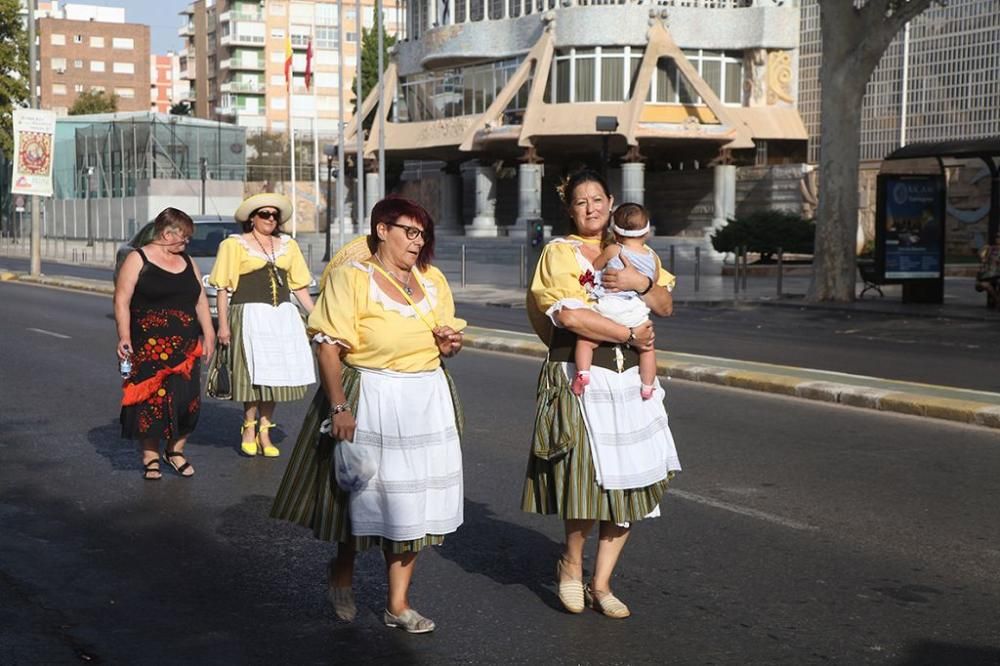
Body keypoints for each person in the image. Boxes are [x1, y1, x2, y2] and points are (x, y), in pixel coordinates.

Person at [270, 196, 466, 634]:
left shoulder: (431, 280)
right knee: (361, 495)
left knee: (414, 501)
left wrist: (450, 343)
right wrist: (340, 406)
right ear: (383, 229)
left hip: (425, 398)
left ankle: (398, 603)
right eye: (409, 232)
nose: (418, 242)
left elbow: (448, 340)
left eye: (423, 234)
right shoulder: (351, 278)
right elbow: (328, 346)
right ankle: (342, 568)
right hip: (371, 394)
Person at [523, 169, 681, 619]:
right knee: (587, 479)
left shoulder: (639, 252)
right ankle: (571, 567)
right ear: (569, 209)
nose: (590, 208)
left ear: (611, 202)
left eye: (597, 199)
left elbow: (666, 305)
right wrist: (629, 331)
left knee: (631, 480)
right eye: (580, 202)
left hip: (631, 379)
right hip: (581, 372)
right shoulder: (559, 253)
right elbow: (570, 318)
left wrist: (641, 285)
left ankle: (603, 582)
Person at [207, 193, 316, 457]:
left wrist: (316, 317)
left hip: (282, 318)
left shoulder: (288, 246)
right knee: (252, 376)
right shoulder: (234, 245)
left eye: (274, 215)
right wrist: (223, 326)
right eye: (264, 214)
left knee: (277, 376)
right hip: (249, 315)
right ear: (252, 219)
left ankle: (265, 431)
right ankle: (248, 426)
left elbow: (299, 286)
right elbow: (222, 288)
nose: (270, 219)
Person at [114, 208, 215, 480]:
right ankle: (150, 457)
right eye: (184, 238)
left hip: (185, 347)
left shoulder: (187, 261)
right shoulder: (138, 258)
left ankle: (175, 451)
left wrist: (209, 333)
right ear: (167, 234)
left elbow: (200, 300)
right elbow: (122, 300)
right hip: (148, 347)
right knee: (151, 404)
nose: (186, 243)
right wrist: (124, 335)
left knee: (188, 402)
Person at [573, 202, 661, 400]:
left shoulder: (614, 250)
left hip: (609, 305)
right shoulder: (652, 258)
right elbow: (652, 282)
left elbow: (595, 266)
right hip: (635, 310)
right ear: (646, 233)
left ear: (615, 231)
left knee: (587, 340)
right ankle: (647, 386)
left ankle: (583, 373)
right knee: (647, 348)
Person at [974, 232, 1000, 309]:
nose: (998, 239)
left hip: (997, 276)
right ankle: (998, 301)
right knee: (985, 285)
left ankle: (997, 302)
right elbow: (981, 257)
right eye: (997, 237)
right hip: (987, 276)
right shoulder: (989, 248)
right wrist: (984, 252)